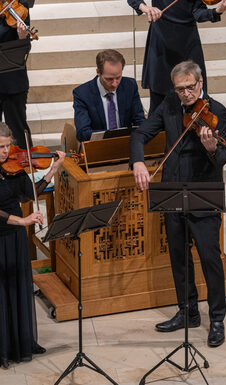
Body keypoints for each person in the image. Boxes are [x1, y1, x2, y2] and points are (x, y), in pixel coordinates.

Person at [130, 61, 226, 347]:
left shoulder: (218, 112)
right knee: (178, 256)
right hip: (173, 191)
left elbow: (222, 158)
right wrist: (138, 161)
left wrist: (212, 149)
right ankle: (187, 311)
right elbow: (140, 134)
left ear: (200, 83)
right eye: (180, 89)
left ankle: (218, 318)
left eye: (190, 87)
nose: (185, 94)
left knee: (210, 259)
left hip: (203, 195)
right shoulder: (169, 106)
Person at [0, 122, 65, 368]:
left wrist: (53, 169)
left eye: (8, 146)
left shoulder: (13, 168)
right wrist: (22, 220)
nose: (5, 152)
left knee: (17, 287)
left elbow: (31, 193)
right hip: (2, 232)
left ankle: (19, 343)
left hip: (15, 237)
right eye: (0, 147)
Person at [126, 0, 226, 115]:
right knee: (159, 100)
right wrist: (145, 8)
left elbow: (197, 12)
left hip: (187, 43)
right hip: (161, 42)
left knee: (194, 94)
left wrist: (218, 11)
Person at [73, 49, 145, 142]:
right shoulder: (82, 94)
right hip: (97, 147)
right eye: (109, 79)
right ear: (98, 72)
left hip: (127, 144)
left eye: (118, 77)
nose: (115, 84)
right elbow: (83, 133)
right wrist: (111, 136)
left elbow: (139, 121)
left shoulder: (130, 86)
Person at [0, 3, 33, 150]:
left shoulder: (19, 8)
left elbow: (25, 46)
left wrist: (22, 37)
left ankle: (25, 169)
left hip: (13, 81)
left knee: (18, 129)